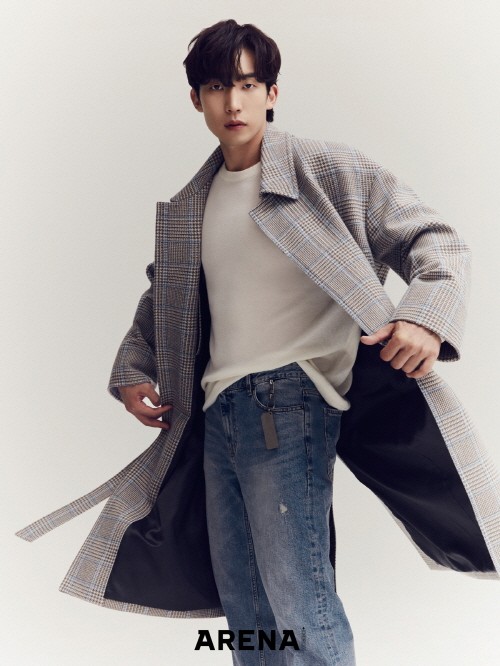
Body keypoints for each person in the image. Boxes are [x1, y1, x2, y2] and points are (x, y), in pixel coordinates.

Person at [17, 18, 499, 666]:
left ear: (272, 93)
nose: (233, 102)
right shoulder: (191, 205)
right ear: (197, 99)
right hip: (218, 413)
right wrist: (133, 367)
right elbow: (165, 298)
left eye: (247, 84)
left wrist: (426, 317)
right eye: (218, 87)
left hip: (290, 401)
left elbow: (434, 240)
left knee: (300, 603)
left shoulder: (327, 170)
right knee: (249, 614)